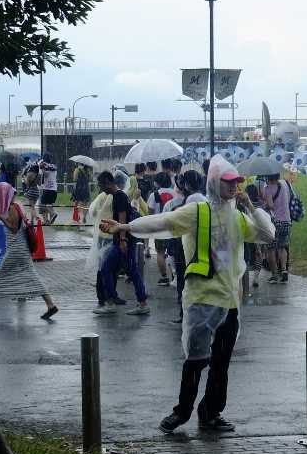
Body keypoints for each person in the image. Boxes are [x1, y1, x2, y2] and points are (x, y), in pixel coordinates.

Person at [102, 155, 275, 433]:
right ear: (216, 184)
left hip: (229, 302)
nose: (234, 187)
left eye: (237, 183)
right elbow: (163, 222)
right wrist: (126, 227)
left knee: (221, 364)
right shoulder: (198, 212)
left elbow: (267, 235)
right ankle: (182, 412)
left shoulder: (239, 217)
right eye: (229, 182)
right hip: (202, 299)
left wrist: (251, 206)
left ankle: (210, 413)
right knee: (195, 361)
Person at [0, 182, 59, 321]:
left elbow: (13, 229)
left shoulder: (12, 208)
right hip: (21, 249)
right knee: (32, 276)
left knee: (0, 276)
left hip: (16, 249)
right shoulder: (17, 205)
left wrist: (0, 217)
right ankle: (51, 305)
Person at [90, 171, 150, 316]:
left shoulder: (119, 197)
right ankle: (136, 303)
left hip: (124, 242)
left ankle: (117, 303)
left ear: (108, 182)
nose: (100, 188)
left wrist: (123, 240)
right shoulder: (117, 196)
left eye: (100, 184)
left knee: (111, 269)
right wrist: (110, 225)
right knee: (127, 270)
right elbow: (120, 220)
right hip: (122, 239)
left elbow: (123, 220)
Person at [166, 170, 206, 323]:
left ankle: (185, 314)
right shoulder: (205, 199)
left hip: (184, 248)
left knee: (184, 282)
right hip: (201, 247)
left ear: (186, 184)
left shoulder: (188, 201)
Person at [148, 171, 177, 286]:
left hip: (159, 227)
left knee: (160, 252)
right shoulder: (175, 193)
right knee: (173, 253)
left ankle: (164, 277)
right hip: (173, 227)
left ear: (157, 182)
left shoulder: (154, 195)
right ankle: (175, 276)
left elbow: (150, 212)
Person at [263, 172, 292, 284]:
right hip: (287, 221)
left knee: (270, 249)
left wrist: (265, 205)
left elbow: (270, 205)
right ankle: (284, 270)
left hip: (275, 222)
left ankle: (274, 275)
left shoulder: (268, 188)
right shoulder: (285, 184)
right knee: (282, 246)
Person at [38, 153, 58, 225]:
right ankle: (48, 220)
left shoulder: (44, 166)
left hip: (47, 189)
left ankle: (53, 213)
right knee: (49, 204)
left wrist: (42, 169)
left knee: (44, 204)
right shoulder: (54, 166)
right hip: (54, 189)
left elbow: (46, 174)